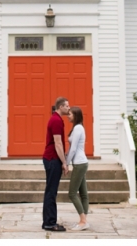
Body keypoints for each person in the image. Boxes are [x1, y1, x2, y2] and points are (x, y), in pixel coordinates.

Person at [42, 97, 70, 232]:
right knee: (51, 192)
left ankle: (47, 221)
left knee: (50, 191)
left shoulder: (56, 119)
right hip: (52, 159)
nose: (69, 108)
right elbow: (58, 143)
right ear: (60, 107)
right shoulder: (56, 121)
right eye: (66, 106)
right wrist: (64, 163)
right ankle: (50, 223)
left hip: (51, 158)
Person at [66, 106, 90, 231]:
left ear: (75, 115)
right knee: (83, 194)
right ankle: (83, 221)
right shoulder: (78, 127)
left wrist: (66, 163)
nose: (68, 116)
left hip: (79, 163)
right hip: (81, 162)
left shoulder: (78, 128)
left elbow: (73, 149)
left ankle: (83, 221)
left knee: (72, 193)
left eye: (70, 114)